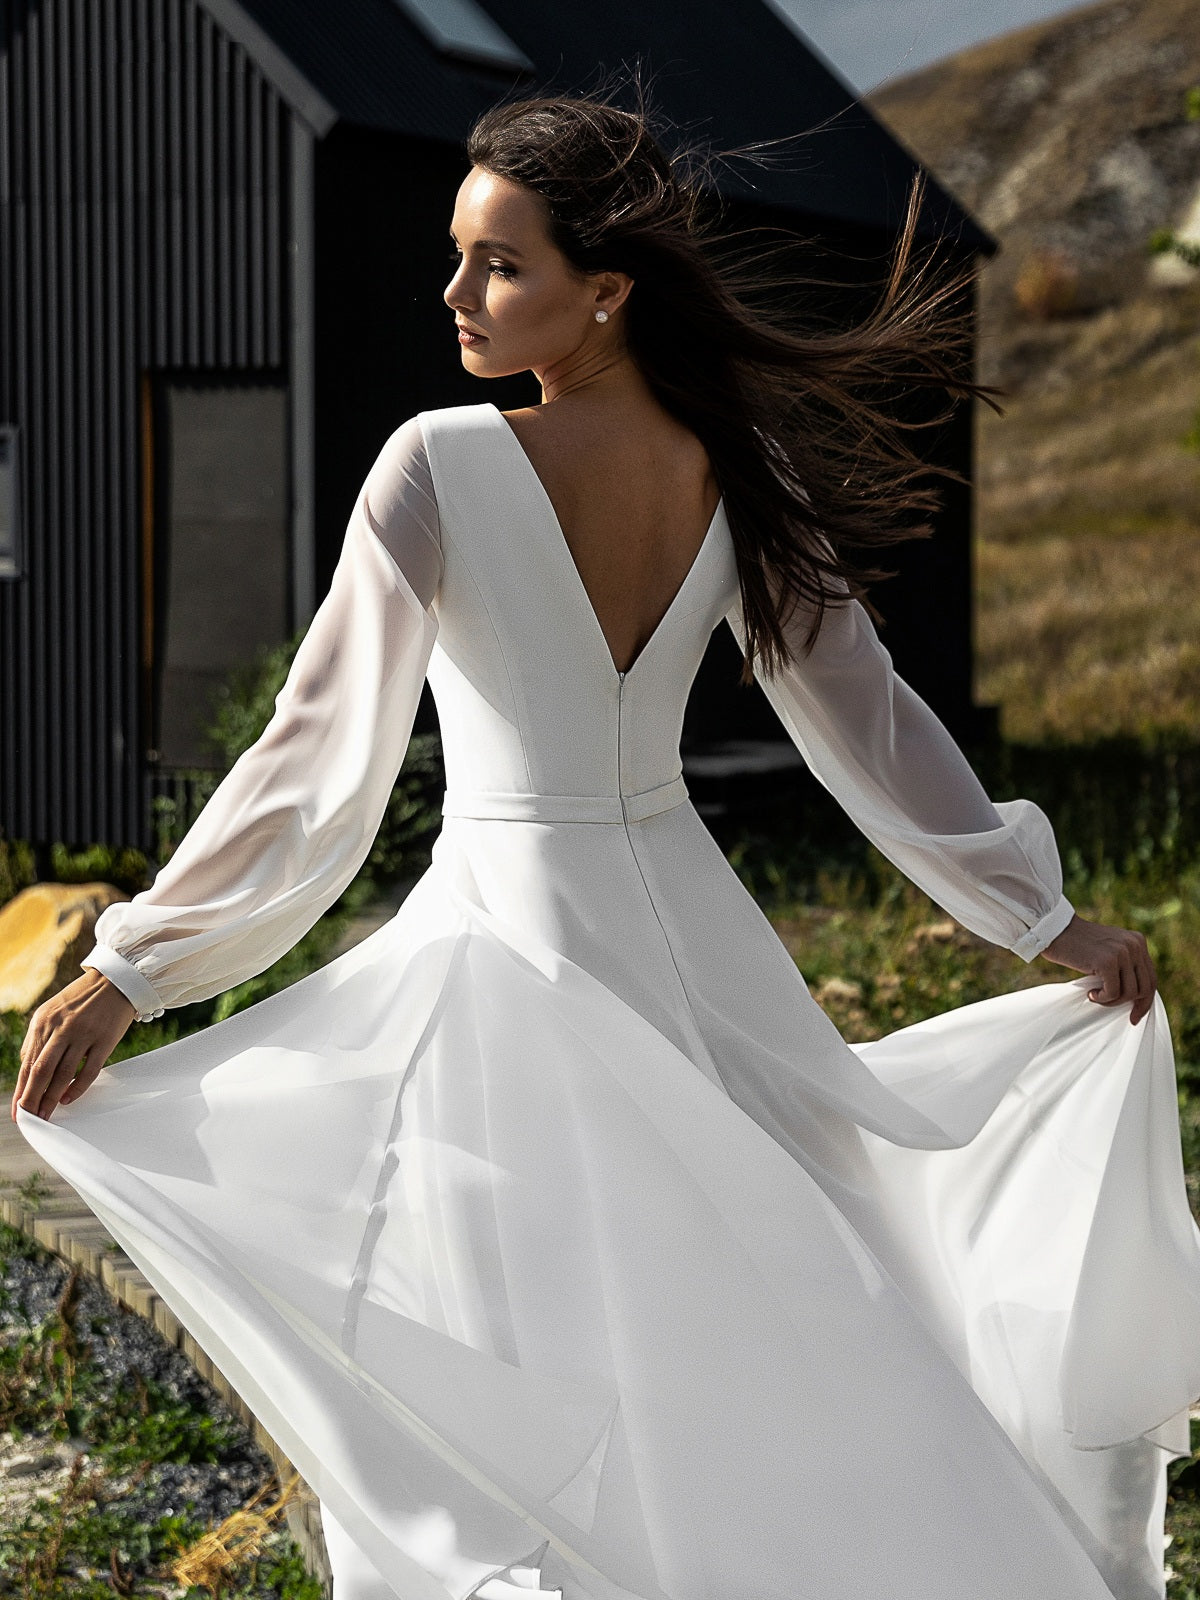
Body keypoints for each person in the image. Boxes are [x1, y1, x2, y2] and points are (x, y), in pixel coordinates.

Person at [11, 82, 1200, 1600]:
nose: (454, 292)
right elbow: (872, 726)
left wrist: (134, 964)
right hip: (694, 943)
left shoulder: (438, 463)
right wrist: (1038, 916)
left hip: (509, 964)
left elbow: (314, 764)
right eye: (457, 255)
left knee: (522, 1374)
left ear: (608, 288)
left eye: (498, 264)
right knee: (750, 1340)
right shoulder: (733, 461)